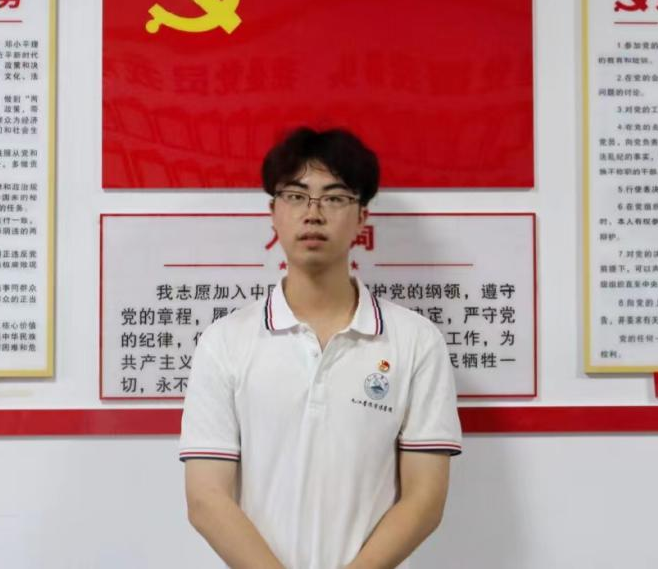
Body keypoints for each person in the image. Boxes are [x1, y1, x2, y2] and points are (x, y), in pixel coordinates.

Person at [179, 127, 462, 569]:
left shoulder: (415, 340)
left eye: (334, 198)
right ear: (273, 213)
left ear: (362, 217)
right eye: (296, 196)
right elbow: (206, 499)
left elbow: (424, 499)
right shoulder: (225, 341)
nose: (313, 214)